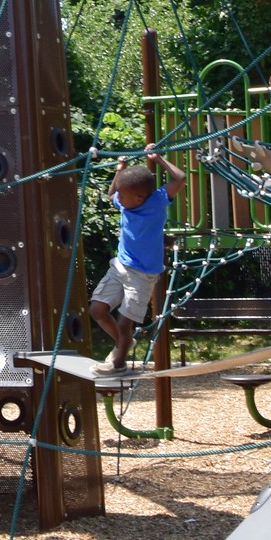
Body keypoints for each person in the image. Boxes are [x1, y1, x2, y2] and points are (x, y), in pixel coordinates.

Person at [90, 152, 185, 376]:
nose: (118, 200)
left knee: (125, 323)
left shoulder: (158, 200)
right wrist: (119, 170)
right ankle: (125, 343)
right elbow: (112, 192)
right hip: (120, 267)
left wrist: (160, 158)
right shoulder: (125, 202)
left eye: (123, 196)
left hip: (142, 275)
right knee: (97, 309)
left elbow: (179, 179)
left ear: (140, 198)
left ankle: (119, 363)